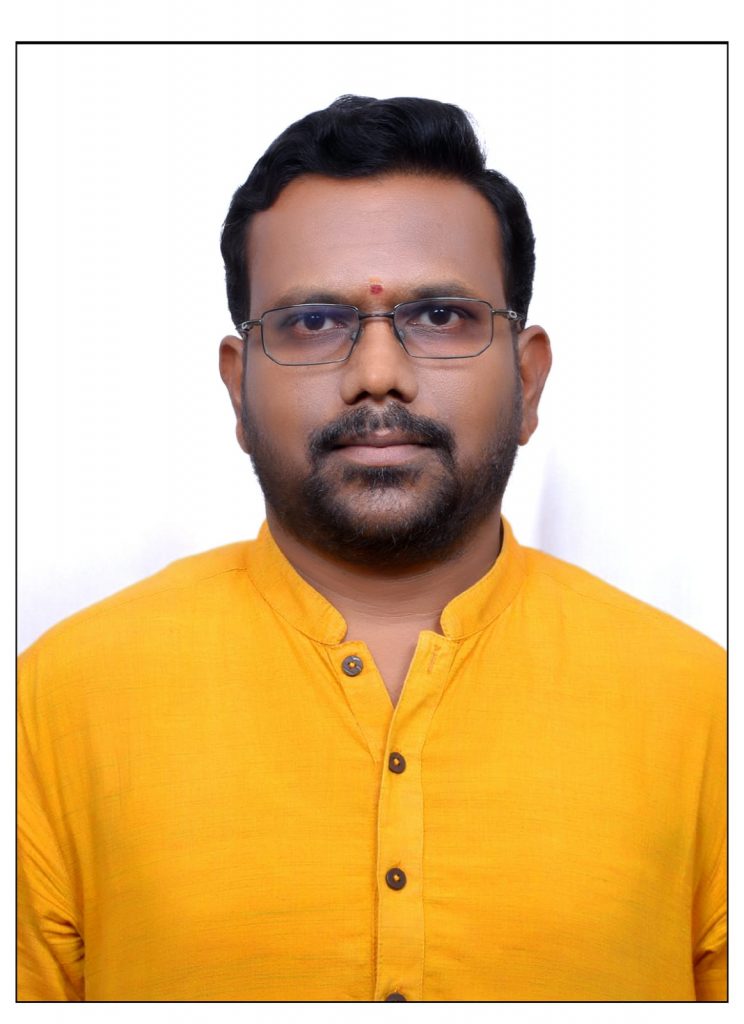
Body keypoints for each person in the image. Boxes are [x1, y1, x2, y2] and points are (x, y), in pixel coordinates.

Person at [17, 95, 726, 1003]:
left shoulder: (704, 712)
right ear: (238, 390)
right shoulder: (57, 707)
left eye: (441, 317)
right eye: (314, 323)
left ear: (528, 377)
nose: (378, 375)